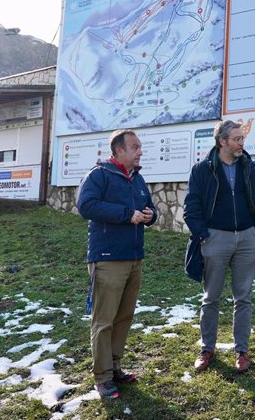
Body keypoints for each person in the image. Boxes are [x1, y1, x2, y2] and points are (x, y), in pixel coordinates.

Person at [77, 129, 158, 399]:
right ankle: (102, 377)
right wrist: (127, 215)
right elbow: (86, 205)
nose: (140, 151)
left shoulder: (138, 178)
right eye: (135, 147)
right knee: (104, 321)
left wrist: (150, 215)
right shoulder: (98, 175)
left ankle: (115, 367)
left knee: (124, 317)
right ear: (119, 151)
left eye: (139, 147)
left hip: (134, 257)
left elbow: (149, 207)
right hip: (108, 259)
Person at [184, 120, 255, 374]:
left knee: (243, 298)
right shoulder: (201, 170)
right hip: (215, 239)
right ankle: (207, 348)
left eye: (242, 138)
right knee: (211, 298)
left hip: (247, 239)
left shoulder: (248, 167)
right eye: (237, 139)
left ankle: (241, 351)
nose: (242, 143)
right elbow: (192, 208)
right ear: (222, 142)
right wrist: (204, 236)